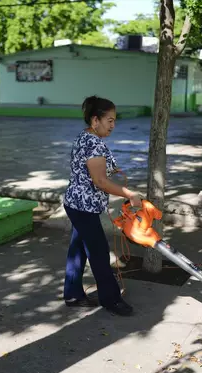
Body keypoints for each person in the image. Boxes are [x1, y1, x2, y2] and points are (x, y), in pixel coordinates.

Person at [62, 95, 142, 317]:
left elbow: (92, 170)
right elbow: (99, 181)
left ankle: (73, 294)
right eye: (110, 120)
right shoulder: (93, 143)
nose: (113, 125)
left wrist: (108, 168)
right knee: (98, 252)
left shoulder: (84, 137)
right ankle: (111, 299)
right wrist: (129, 193)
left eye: (115, 121)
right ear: (95, 120)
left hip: (76, 203)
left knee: (78, 249)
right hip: (83, 206)